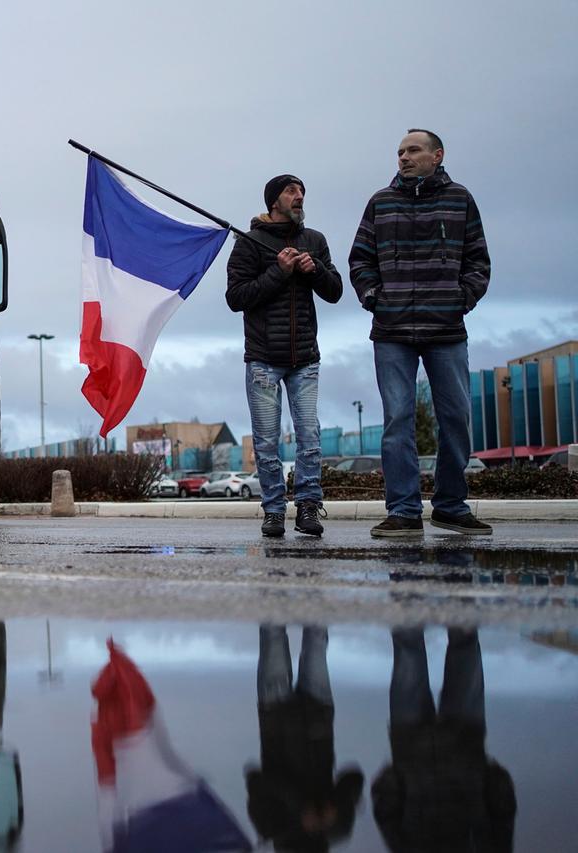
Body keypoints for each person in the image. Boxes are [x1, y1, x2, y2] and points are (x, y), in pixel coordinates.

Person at [349, 130, 492, 538]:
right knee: (397, 420)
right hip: (391, 330)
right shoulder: (381, 202)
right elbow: (360, 258)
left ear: (437, 155)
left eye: (413, 150)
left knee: (457, 418)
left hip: (446, 329)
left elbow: (479, 259)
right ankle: (404, 511)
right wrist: (374, 296)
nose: (404, 158)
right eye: (399, 152)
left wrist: (462, 298)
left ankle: (450, 506)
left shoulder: (460, 199)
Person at [227, 175, 343, 538]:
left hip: (305, 357)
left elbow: (336, 291)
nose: (300, 196)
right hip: (263, 358)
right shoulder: (250, 242)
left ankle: (308, 505)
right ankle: (274, 510)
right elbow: (236, 298)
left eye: (302, 191)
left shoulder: (315, 240)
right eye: (291, 191)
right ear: (273, 201)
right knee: (265, 441)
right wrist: (279, 271)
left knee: (310, 435)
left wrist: (315, 271)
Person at [371, 627, 516, 851]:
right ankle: (456, 597)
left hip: (417, 745)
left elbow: (386, 812)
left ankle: (411, 597)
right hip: (461, 742)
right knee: (462, 646)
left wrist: (398, 773)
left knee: (410, 648)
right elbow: (503, 811)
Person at [246, 624, 364, 852]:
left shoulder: (271, 828)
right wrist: (336, 805)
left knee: (273, 633)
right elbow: (354, 777)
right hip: (317, 711)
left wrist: (300, 807)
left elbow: (255, 779)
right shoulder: (336, 829)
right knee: (316, 635)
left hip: (275, 713)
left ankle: (274, 588)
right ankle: (318, 589)